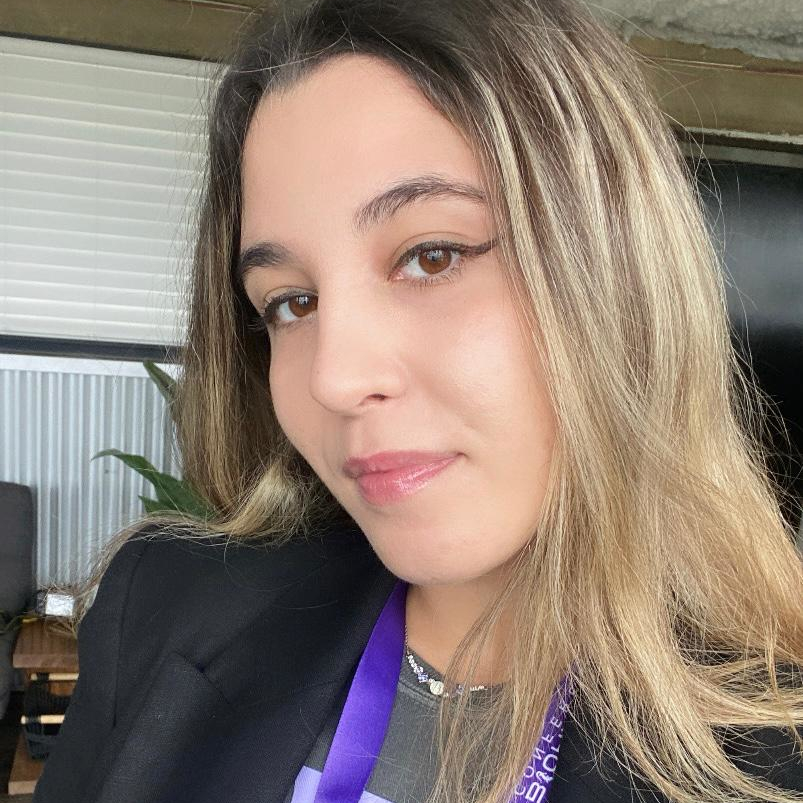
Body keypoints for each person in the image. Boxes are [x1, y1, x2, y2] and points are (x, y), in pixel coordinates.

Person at [32, 0, 803, 802]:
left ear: (620, 278)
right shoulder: (162, 605)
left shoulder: (774, 754)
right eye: (291, 302)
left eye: (431, 255)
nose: (334, 377)